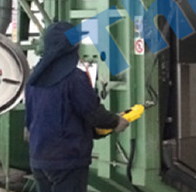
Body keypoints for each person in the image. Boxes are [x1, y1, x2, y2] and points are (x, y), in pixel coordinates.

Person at [25, 21, 129, 192]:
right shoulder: (74, 78)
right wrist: (116, 121)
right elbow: (92, 112)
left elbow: (29, 120)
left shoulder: (34, 78)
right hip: (67, 160)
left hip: (39, 158)